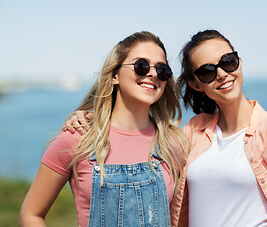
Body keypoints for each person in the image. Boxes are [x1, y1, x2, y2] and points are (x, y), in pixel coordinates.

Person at [64, 16, 267, 227]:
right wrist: (92, 115)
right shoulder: (191, 134)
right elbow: (139, 138)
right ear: (197, 84)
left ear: (239, 62)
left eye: (228, 61)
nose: (221, 73)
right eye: (208, 71)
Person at [19, 31, 188, 227]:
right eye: (141, 65)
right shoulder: (77, 138)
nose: (152, 73)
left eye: (162, 70)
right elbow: (31, 214)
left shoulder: (172, 144)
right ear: (115, 75)